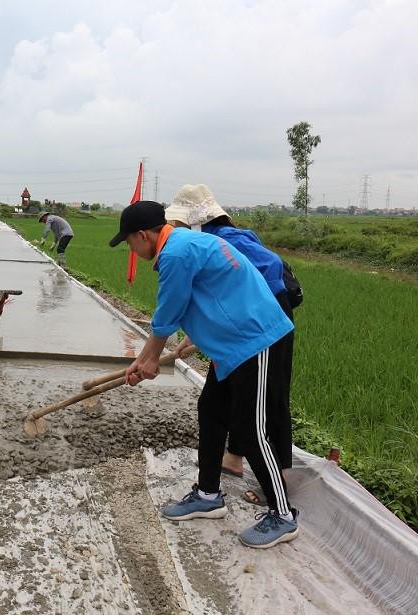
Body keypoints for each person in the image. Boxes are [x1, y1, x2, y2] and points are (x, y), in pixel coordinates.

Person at [111, 200, 299, 548]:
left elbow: (168, 310)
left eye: (129, 244)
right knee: (211, 410)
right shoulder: (187, 244)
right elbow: (217, 294)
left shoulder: (176, 253)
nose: (131, 251)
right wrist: (194, 339)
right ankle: (210, 493)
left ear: (142, 235)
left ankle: (284, 515)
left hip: (255, 342)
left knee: (249, 429)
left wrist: (148, 359)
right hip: (234, 344)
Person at [163, 185, 296, 506]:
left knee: (268, 401)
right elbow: (220, 295)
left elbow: (248, 289)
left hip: (263, 322)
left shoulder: (218, 242)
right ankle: (232, 461)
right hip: (246, 322)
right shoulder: (230, 235)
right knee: (218, 399)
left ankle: (278, 490)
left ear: (193, 221)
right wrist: (199, 335)